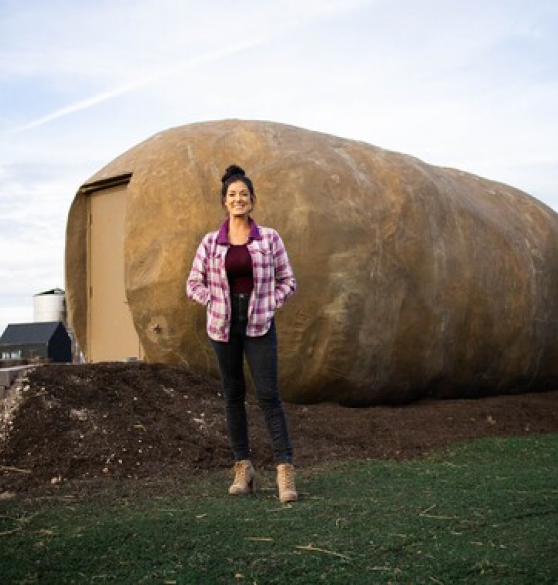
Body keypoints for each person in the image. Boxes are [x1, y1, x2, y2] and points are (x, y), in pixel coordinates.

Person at [186, 164, 298, 503]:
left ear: (252, 201)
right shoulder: (210, 242)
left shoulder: (270, 239)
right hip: (223, 326)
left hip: (259, 323)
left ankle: (284, 471)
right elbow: (193, 283)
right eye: (232, 195)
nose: (238, 200)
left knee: (268, 396)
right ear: (224, 201)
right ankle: (243, 467)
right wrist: (213, 302)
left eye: (244, 195)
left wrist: (269, 303)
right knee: (233, 396)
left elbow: (288, 280)